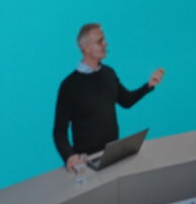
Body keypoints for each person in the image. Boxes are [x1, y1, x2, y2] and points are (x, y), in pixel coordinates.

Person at [53, 23, 164, 172]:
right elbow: (59, 130)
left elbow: (126, 101)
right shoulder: (69, 85)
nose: (105, 43)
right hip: (86, 162)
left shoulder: (109, 73)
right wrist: (69, 156)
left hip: (112, 156)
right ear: (86, 48)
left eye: (103, 40)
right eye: (100, 41)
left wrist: (149, 85)